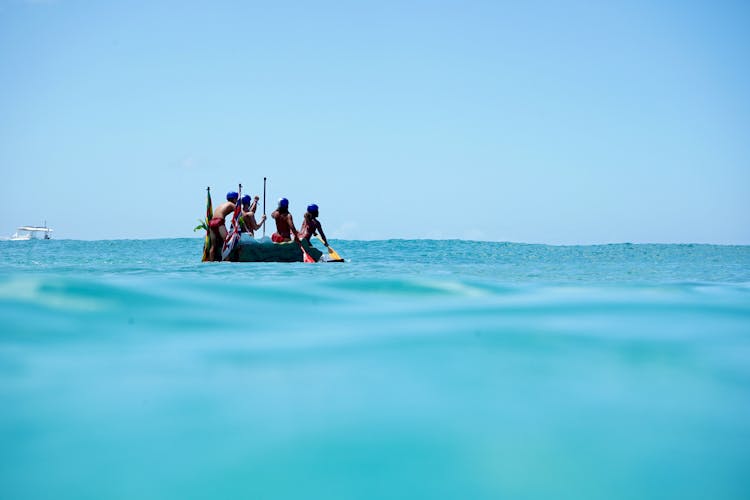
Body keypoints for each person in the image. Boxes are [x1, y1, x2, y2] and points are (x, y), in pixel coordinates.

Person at [208, 191, 238, 261]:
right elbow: (242, 213)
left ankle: (211, 262)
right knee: (227, 242)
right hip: (219, 222)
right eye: (236, 199)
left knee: (213, 246)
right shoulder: (231, 204)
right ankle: (227, 260)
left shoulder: (222, 204)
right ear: (234, 199)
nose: (237, 201)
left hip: (211, 222)